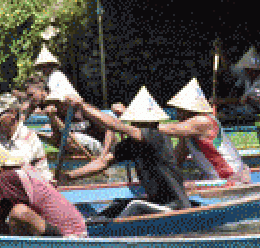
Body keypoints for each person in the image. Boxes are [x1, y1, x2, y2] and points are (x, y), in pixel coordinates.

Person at [56, 87, 193, 218]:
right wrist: (68, 176)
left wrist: (82, 106)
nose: (136, 124)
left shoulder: (157, 135)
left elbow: (119, 127)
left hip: (175, 207)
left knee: (134, 206)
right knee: (117, 206)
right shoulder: (131, 143)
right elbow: (103, 162)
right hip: (157, 205)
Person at [165, 78, 250, 184]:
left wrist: (145, 126)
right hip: (215, 179)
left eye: (179, 110)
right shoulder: (188, 132)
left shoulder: (203, 121)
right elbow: (177, 159)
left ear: (189, 109)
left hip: (231, 178)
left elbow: (172, 129)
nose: (178, 114)